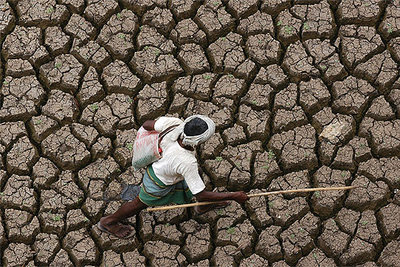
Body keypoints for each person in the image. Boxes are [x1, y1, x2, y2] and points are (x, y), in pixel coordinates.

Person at [98, 115, 249, 239]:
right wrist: (235, 195)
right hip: (158, 181)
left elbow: (147, 124)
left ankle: (203, 206)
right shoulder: (187, 162)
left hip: (164, 166)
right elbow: (200, 193)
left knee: (194, 182)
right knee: (139, 203)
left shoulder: (175, 124)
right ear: (199, 141)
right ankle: (108, 222)